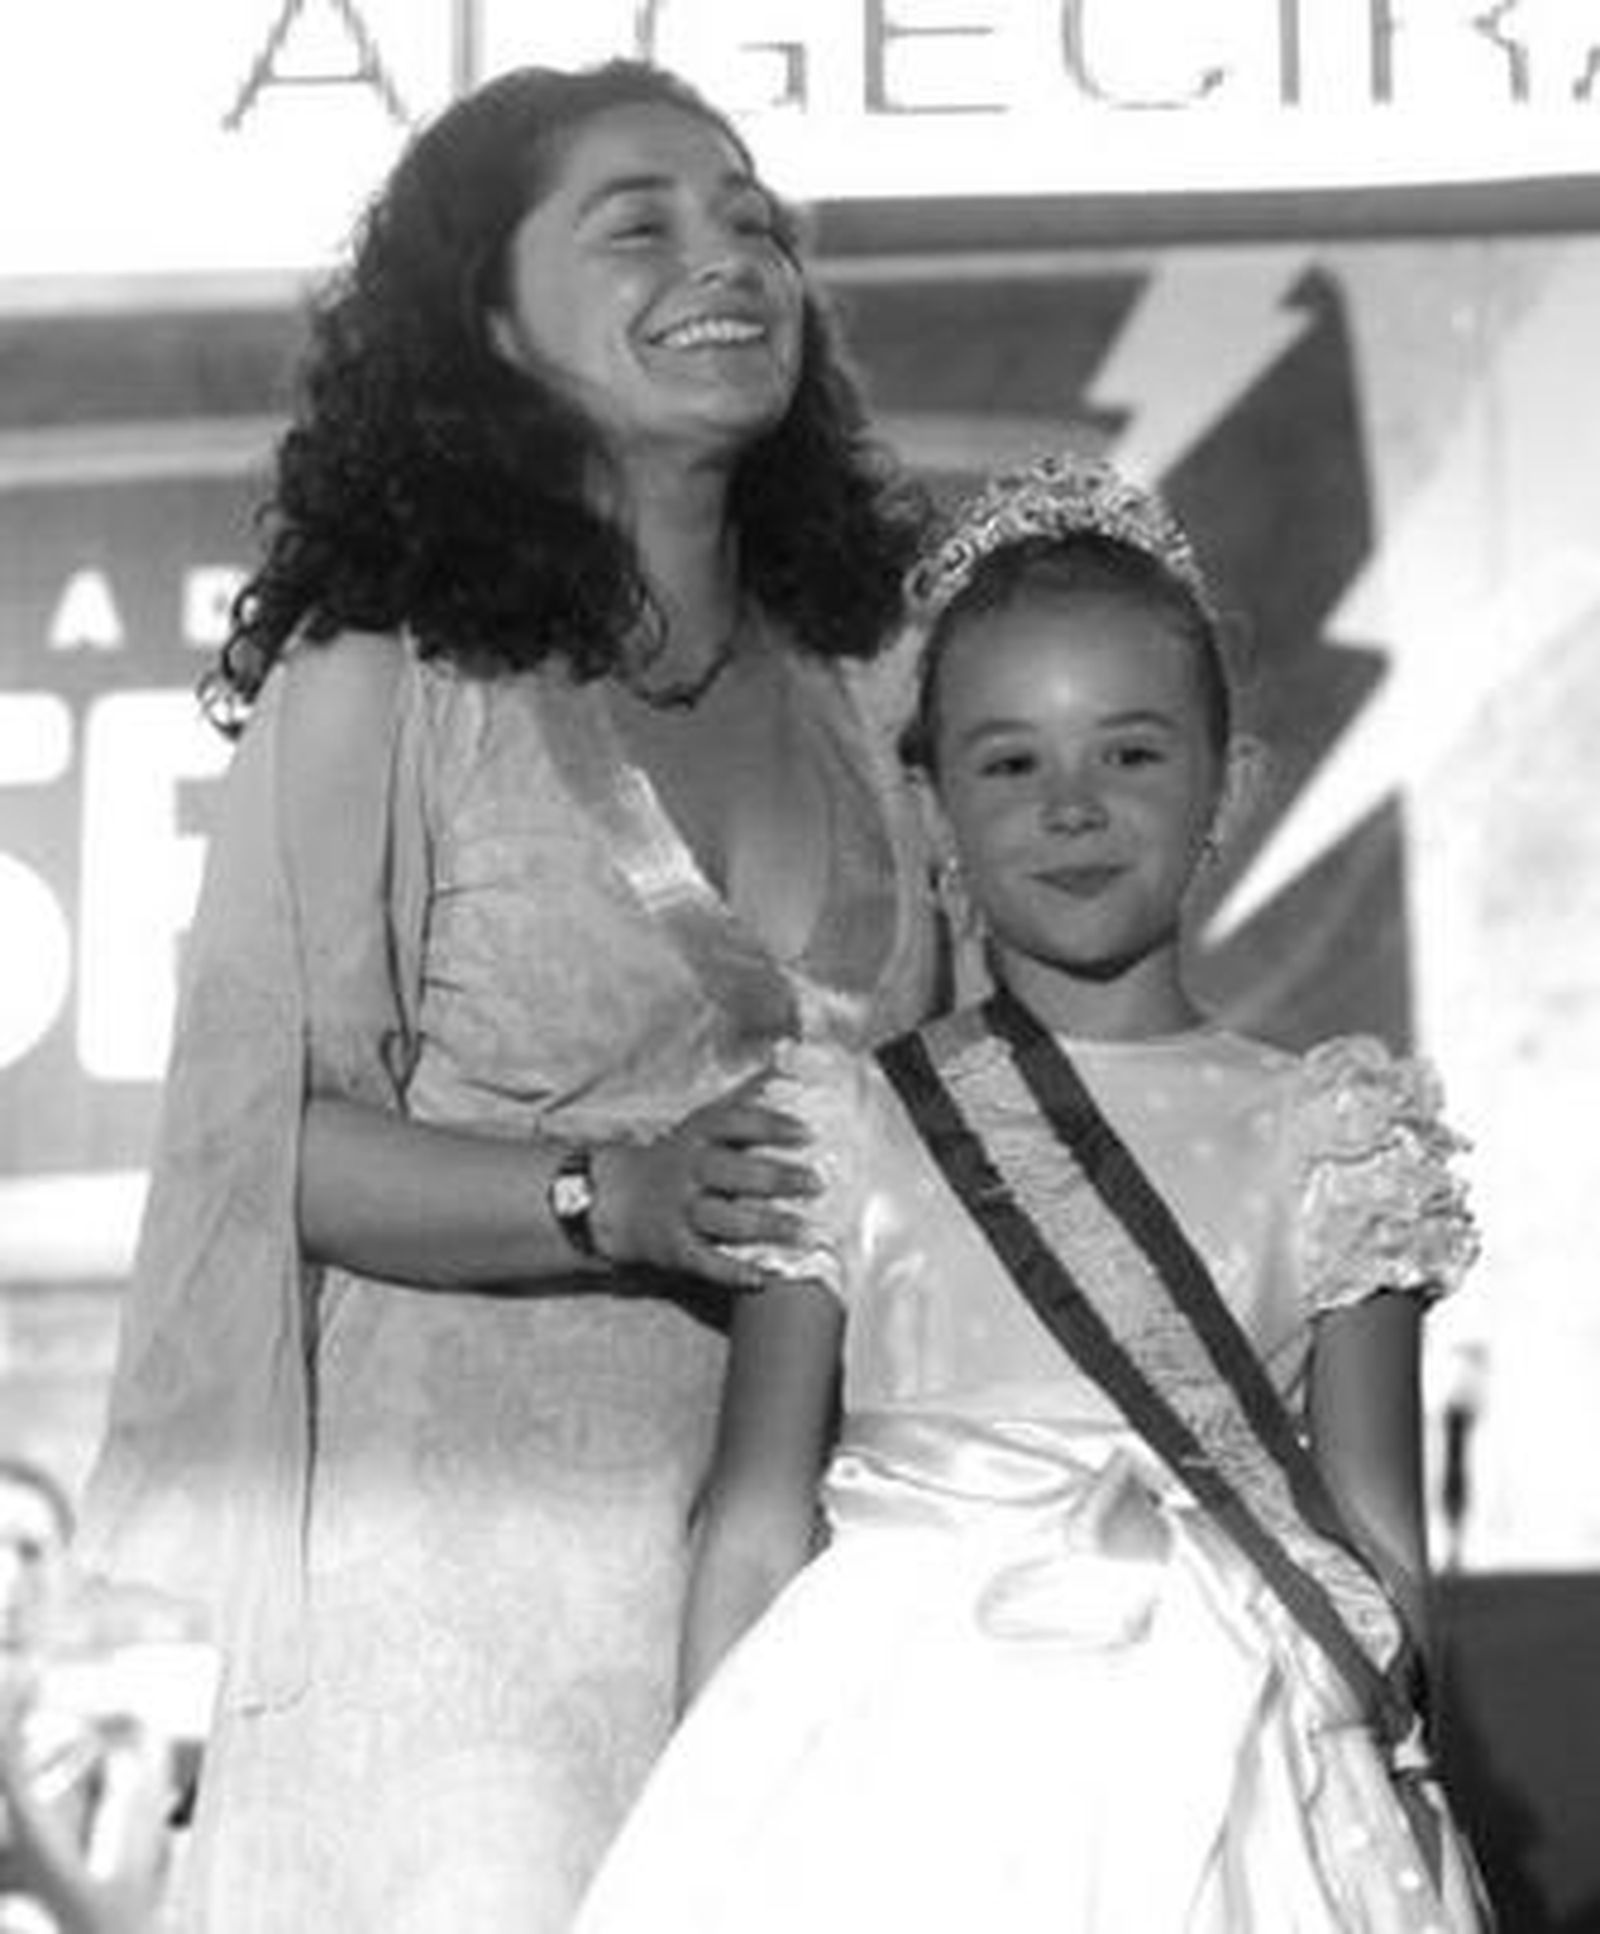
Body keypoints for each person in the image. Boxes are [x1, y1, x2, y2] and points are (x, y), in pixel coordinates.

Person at [75, 58, 935, 1933]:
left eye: (752, 221)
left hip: (827, 1587)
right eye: (640, 225)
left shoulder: (882, 686)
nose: (730, 258)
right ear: (487, 318)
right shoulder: (387, 681)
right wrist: (604, 1193)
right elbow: (255, 1148)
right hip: (465, 1628)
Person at [573, 453, 1492, 1931]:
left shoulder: (1335, 1130)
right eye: (1010, 763)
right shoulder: (844, 1119)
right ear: (930, 805)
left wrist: (1375, 1789)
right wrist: (711, 1811)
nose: (1073, 807)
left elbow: (1380, 1547)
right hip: (884, 1781)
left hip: (1237, 1766)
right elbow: (750, 1519)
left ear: (1227, 785)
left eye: (1130, 754)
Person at [2, 1460, 171, 1934]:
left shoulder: (120, 1741)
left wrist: (10, 1770)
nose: (8, 1580)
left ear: (68, 1578)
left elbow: (114, 1924)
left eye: (31, 1552)